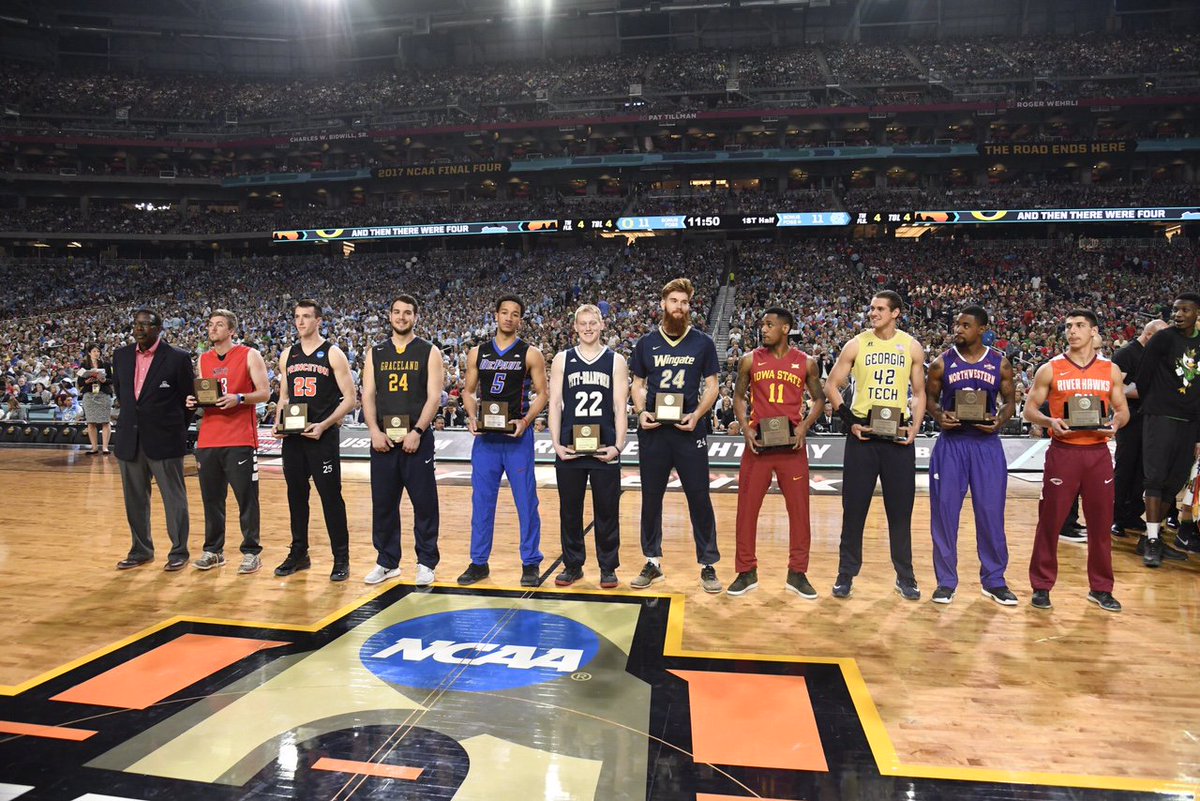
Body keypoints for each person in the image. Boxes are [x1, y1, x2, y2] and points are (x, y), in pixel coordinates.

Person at [1024, 309, 1129, 612]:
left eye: (1080, 326)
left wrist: (1116, 424)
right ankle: (1041, 586)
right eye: (1068, 326)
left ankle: (1101, 588)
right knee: (1050, 521)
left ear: (1094, 332)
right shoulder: (1050, 368)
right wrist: (1049, 420)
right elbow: (1029, 409)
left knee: (1100, 525)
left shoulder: (1110, 369)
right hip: (1064, 452)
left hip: (1097, 453)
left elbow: (1122, 410)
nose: (1072, 331)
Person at [823, 290, 926, 600]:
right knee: (853, 509)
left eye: (880, 308)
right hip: (863, 435)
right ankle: (845, 574)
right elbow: (831, 385)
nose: (873, 313)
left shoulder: (911, 346)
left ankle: (905, 576)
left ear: (896, 313)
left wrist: (915, 428)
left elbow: (919, 393)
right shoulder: (856, 344)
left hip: (897, 436)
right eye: (871, 308)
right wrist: (848, 419)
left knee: (900, 511)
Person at [629, 277, 722, 593]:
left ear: (689, 306)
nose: (679, 307)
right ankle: (652, 562)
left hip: (689, 430)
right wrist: (642, 412)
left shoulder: (703, 342)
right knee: (651, 499)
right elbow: (637, 385)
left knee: (699, 497)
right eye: (674, 301)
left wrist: (697, 414)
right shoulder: (645, 343)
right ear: (663, 304)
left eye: (684, 302)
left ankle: (707, 564)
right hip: (655, 432)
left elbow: (712, 386)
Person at [726, 307, 824, 599]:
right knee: (746, 511)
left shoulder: (806, 362)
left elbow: (819, 400)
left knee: (799, 513)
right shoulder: (748, 360)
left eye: (769, 324)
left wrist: (805, 426)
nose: (763, 329)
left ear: (786, 328)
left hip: (792, 447)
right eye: (762, 324)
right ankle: (746, 572)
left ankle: (798, 573)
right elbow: (739, 397)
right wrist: (744, 426)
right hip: (758, 444)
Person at [925, 307, 1018, 605]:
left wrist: (999, 422)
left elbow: (1010, 403)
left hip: (986, 445)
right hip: (952, 444)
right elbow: (929, 399)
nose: (958, 329)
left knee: (991, 513)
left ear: (982, 329)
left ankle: (994, 580)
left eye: (966, 325)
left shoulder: (1000, 363)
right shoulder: (941, 363)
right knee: (944, 514)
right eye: (957, 324)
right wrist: (940, 416)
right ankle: (946, 581)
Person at [457, 295, 549, 587]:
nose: (509, 317)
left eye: (515, 314)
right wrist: (472, 416)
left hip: (517, 438)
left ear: (521, 319)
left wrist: (526, 420)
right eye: (505, 312)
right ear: (495, 315)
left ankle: (531, 562)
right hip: (486, 440)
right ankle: (479, 562)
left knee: (526, 502)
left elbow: (543, 393)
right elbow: (468, 392)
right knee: (482, 502)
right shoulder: (477, 353)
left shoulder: (530, 353)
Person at [361, 295, 444, 586]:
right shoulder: (376, 352)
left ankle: (426, 562)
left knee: (424, 504)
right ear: (390, 315)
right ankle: (387, 561)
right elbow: (368, 394)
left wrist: (418, 431)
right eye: (396, 312)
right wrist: (373, 430)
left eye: (407, 312)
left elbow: (434, 396)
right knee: (383, 503)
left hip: (416, 439)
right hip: (383, 439)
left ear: (415, 317)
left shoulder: (429, 351)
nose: (401, 317)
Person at [273, 300, 357, 581]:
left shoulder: (333, 353)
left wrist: (324, 424)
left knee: (331, 498)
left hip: (322, 436)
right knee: (296, 497)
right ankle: (299, 553)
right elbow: (284, 396)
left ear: (319, 320)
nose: (300, 322)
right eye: (297, 317)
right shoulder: (288, 354)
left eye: (306, 317)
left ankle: (341, 558)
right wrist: (278, 421)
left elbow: (350, 399)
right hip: (294, 438)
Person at [548, 303, 628, 589]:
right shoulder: (562, 359)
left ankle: (608, 566)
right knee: (570, 510)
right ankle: (573, 565)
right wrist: (555, 443)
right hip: (571, 445)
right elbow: (555, 404)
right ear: (575, 327)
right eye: (582, 323)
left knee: (607, 509)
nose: (588, 328)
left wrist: (619, 445)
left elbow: (620, 406)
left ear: (602, 325)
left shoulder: (615, 360)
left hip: (604, 446)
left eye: (593, 322)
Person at [187, 310, 271, 575]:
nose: (212, 329)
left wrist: (240, 399)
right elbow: (207, 394)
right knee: (211, 499)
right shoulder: (204, 359)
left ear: (231, 330)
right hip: (209, 437)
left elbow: (265, 393)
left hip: (239, 437)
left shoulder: (249, 354)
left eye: (219, 325)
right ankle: (214, 551)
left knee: (246, 498)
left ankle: (251, 552)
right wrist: (194, 401)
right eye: (210, 324)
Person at [111, 309, 194, 571]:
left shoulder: (178, 357)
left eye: (146, 324)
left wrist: (174, 428)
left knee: (174, 498)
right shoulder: (121, 355)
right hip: (130, 439)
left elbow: (189, 400)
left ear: (159, 328)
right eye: (137, 324)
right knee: (134, 499)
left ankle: (179, 550)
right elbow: (122, 395)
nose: (139, 328)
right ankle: (141, 550)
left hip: (166, 438)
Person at [1131, 294, 1200, 566]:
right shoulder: (1164, 338)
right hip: (1161, 416)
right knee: (1155, 479)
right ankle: (1150, 540)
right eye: (1175, 309)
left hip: (1190, 421)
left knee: (1174, 481)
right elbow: (1144, 376)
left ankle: (1156, 537)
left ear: (1197, 314)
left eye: (1185, 310)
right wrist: (1156, 404)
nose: (1178, 314)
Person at [1111, 319, 1168, 538]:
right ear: (1150, 335)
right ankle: (1116, 517)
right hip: (1130, 419)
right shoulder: (1126, 354)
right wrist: (1148, 392)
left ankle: (1133, 514)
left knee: (1143, 470)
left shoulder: (1156, 355)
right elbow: (1116, 387)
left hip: (1151, 419)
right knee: (1125, 468)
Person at [77, 344, 113, 455]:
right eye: (94, 351)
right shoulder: (84, 365)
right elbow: (80, 381)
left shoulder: (106, 364)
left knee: (105, 421)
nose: (96, 353)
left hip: (103, 394)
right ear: (89, 353)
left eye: (98, 351)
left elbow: (111, 380)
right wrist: (86, 382)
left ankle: (105, 447)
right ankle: (94, 447)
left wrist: (104, 380)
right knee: (91, 422)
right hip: (89, 394)